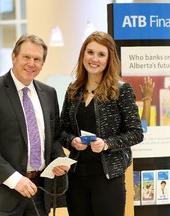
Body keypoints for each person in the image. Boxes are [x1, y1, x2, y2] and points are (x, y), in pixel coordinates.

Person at [0, 34, 69, 216]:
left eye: (37, 59)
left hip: (38, 192)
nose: (31, 63)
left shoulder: (49, 93)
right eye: (26, 57)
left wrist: (59, 158)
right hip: (2, 193)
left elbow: (53, 138)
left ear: (42, 64)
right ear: (14, 57)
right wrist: (16, 180)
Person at [59, 31, 144, 216]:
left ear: (109, 59)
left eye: (101, 54)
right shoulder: (73, 91)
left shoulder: (121, 90)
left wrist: (107, 143)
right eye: (90, 52)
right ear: (83, 55)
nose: (94, 59)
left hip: (108, 178)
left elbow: (136, 133)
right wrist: (72, 141)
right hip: (76, 177)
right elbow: (62, 131)